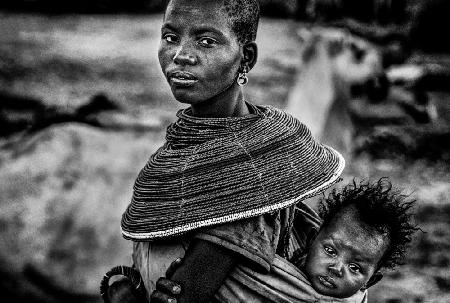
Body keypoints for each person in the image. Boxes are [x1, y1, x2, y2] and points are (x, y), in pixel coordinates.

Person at [104, 0, 347, 302]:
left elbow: (186, 291)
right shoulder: (182, 148)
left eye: (206, 41)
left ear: (246, 57)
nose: (180, 56)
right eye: (170, 37)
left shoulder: (258, 165)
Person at [152, 179, 418, 302]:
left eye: (356, 268)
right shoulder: (288, 245)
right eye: (330, 250)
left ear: (370, 281)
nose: (337, 268)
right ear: (313, 238)